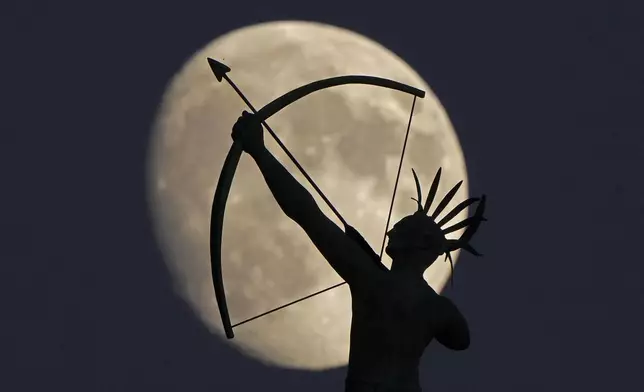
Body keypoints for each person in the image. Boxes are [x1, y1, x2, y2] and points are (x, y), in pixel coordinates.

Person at [231, 111, 486, 392]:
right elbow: (459, 339)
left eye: (402, 228)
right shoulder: (434, 306)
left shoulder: (373, 281)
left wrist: (258, 150)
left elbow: (306, 212)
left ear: (421, 245)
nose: (391, 232)